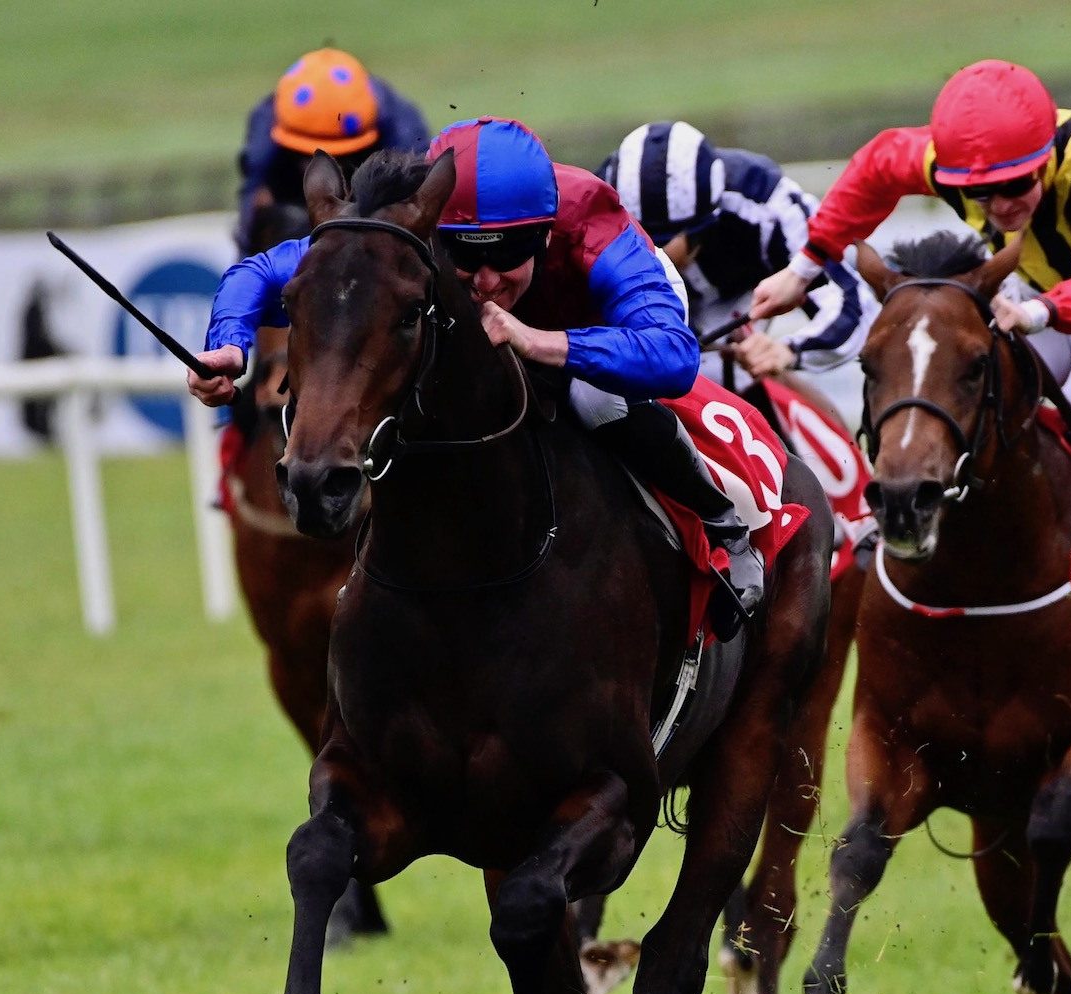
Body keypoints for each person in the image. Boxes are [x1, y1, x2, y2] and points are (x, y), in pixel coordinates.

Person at [190, 116, 765, 620]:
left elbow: (673, 356)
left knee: (594, 397)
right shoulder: (407, 224)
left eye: (508, 252)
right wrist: (230, 344)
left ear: (544, 232)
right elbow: (261, 273)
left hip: (590, 319)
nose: (487, 280)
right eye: (467, 254)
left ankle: (722, 523)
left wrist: (543, 343)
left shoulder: (592, 223)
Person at [749, 59, 1071, 634]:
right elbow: (877, 165)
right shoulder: (954, 162)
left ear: (1045, 161)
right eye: (982, 193)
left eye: (1017, 185)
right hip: (1041, 298)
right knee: (977, 389)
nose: (1001, 205)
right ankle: (921, 512)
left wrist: (1038, 312)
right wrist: (803, 270)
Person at [600, 120, 875, 390]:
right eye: (638, 239)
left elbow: (854, 306)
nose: (655, 255)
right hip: (627, 313)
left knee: (715, 374)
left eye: (663, 243)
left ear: (703, 226)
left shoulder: (766, 201)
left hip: (733, 306)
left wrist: (786, 350)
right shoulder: (593, 205)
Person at [235, 48, 431, 255]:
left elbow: (419, 212)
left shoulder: (402, 131)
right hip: (290, 192)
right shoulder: (264, 137)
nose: (314, 166)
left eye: (336, 157)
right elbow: (251, 220)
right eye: (304, 154)